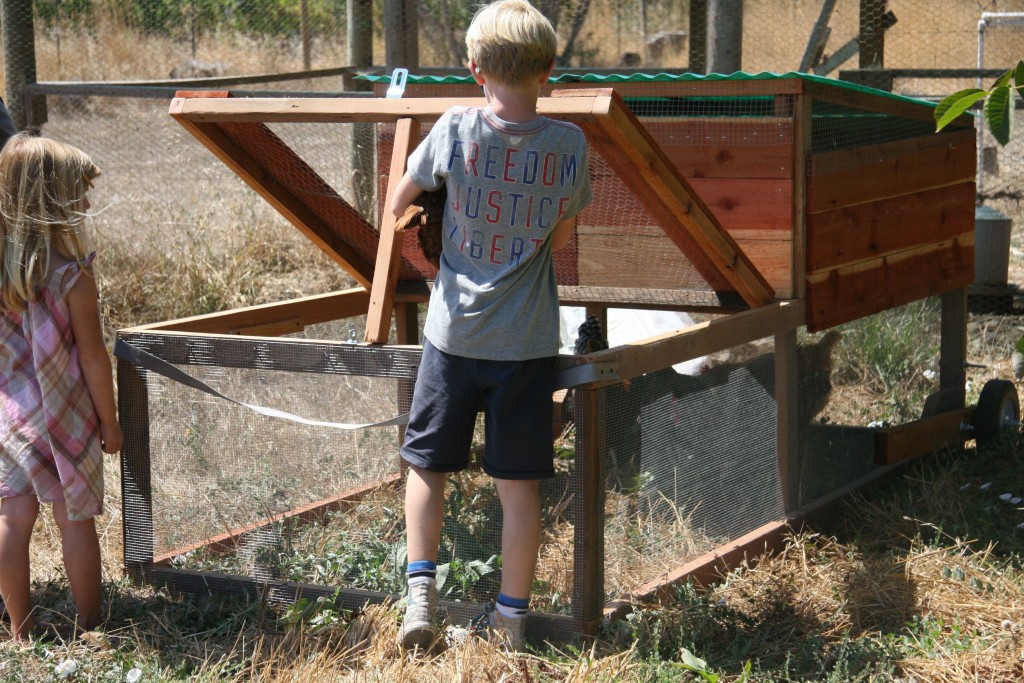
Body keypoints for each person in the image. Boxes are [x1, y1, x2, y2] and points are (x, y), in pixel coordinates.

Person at [392, 0, 593, 653]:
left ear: (474, 67)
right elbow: (563, 231)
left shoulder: (454, 129)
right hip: (527, 343)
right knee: (518, 487)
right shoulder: (568, 144)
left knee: (426, 464)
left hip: (452, 337)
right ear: (550, 70)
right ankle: (511, 622)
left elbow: (400, 201)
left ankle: (419, 593)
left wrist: (431, 243)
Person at [0, 134, 122, 641]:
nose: (88, 202)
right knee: (75, 522)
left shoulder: (4, 273)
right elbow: (93, 356)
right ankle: (92, 623)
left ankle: (21, 626)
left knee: (12, 516)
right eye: (80, 193)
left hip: (9, 414)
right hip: (67, 417)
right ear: (53, 203)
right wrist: (110, 421)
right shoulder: (72, 276)